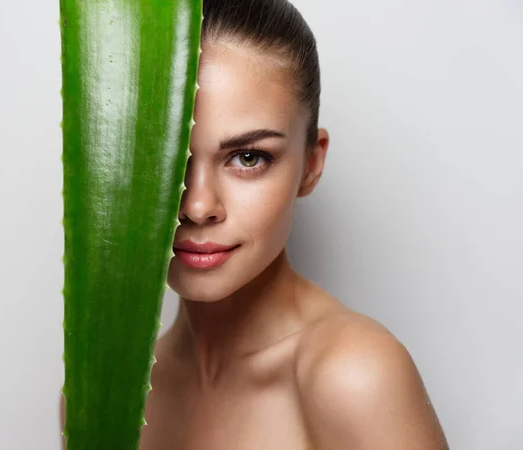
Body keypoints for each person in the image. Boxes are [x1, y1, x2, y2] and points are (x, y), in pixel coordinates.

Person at [140, 0, 449, 448]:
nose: (199, 205)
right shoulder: (106, 396)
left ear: (310, 164)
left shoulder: (357, 377)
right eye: (163, 157)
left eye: (248, 158)